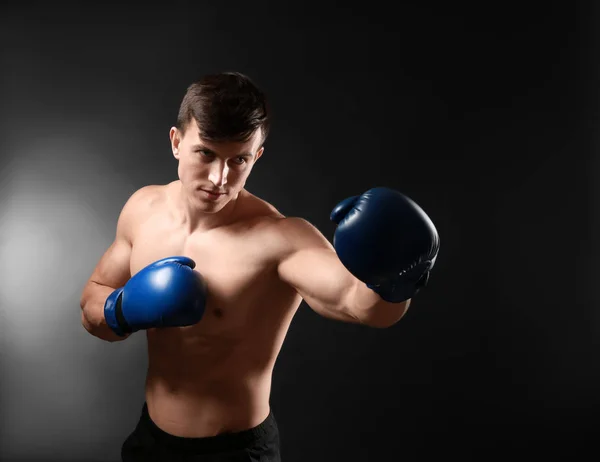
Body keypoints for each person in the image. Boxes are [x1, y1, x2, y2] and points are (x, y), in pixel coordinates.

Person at [79, 71, 440, 462]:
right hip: (151, 442)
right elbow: (92, 303)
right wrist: (122, 309)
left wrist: (394, 276)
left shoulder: (281, 239)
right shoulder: (142, 209)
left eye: (239, 160)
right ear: (177, 142)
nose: (220, 178)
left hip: (236, 453)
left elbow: (360, 304)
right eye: (206, 154)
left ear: (258, 155)